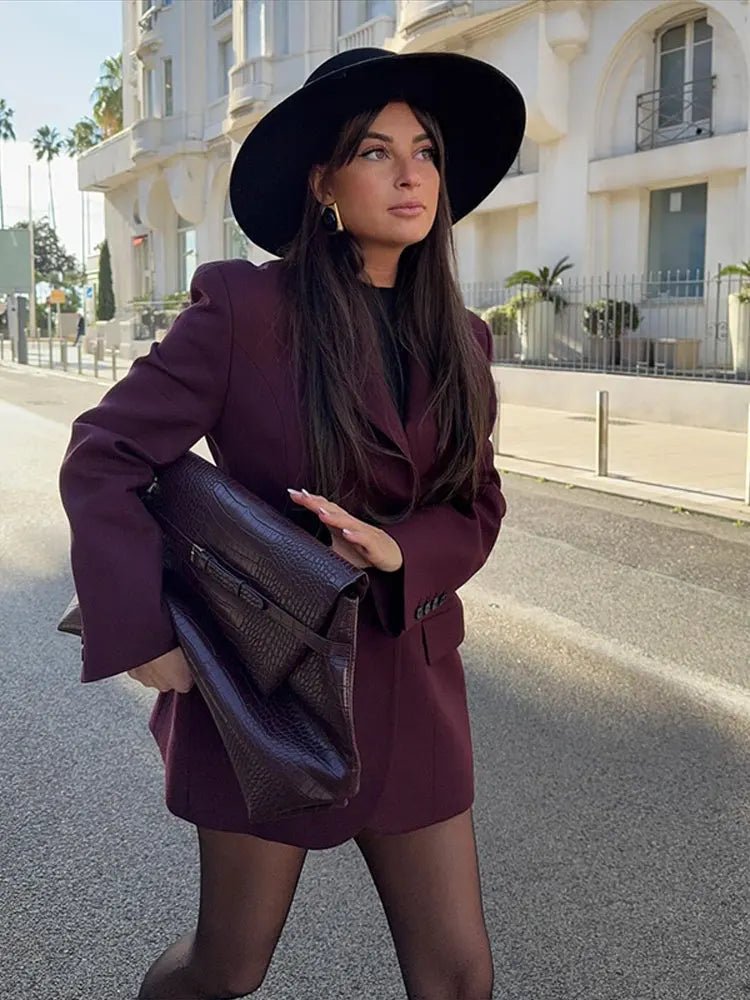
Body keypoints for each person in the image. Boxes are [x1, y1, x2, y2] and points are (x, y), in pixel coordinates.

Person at [58, 47, 525, 1000]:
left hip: (413, 687)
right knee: (227, 967)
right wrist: (141, 629)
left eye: (426, 152)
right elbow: (105, 453)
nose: (410, 174)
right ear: (323, 183)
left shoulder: (464, 338)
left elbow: (479, 502)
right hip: (266, 686)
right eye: (376, 151)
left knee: (459, 974)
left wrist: (401, 550)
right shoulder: (246, 310)